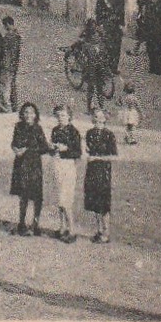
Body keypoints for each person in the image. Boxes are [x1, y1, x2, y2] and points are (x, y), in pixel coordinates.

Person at [9, 102, 51, 236]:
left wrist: (27, 150)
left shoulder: (38, 129)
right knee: (23, 194)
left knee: (36, 195)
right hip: (21, 164)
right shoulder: (18, 127)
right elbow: (14, 142)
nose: (28, 115)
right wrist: (15, 149)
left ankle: (35, 224)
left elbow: (44, 147)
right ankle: (21, 223)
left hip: (33, 165)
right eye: (26, 112)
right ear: (22, 114)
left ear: (35, 115)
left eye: (31, 112)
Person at [47, 104, 82, 243]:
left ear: (69, 116)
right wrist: (51, 147)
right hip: (57, 164)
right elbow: (51, 150)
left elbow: (77, 153)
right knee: (59, 197)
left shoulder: (74, 132)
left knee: (65, 198)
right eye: (58, 115)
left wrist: (65, 149)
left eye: (63, 115)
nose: (60, 118)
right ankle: (62, 227)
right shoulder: (55, 130)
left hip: (68, 165)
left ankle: (72, 229)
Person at [84, 106, 118, 243]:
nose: (98, 119)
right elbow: (89, 149)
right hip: (91, 170)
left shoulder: (109, 135)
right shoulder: (89, 133)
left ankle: (106, 232)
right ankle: (98, 230)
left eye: (100, 117)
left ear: (105, 119)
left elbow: (113, 156)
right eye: (95, 117)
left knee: (103, 202)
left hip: (103, 171)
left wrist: (97, 158)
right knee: (94, 201)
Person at [0, 16, 23, 113]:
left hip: (7, 65)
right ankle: (14, 106)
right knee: (11, 85)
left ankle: (6, 106)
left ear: (7, 24)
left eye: (5, 25)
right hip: (14, 64)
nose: (4, 28)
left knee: (5, 85)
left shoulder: (9, 36)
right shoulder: (17, 35)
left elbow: (3, 49)